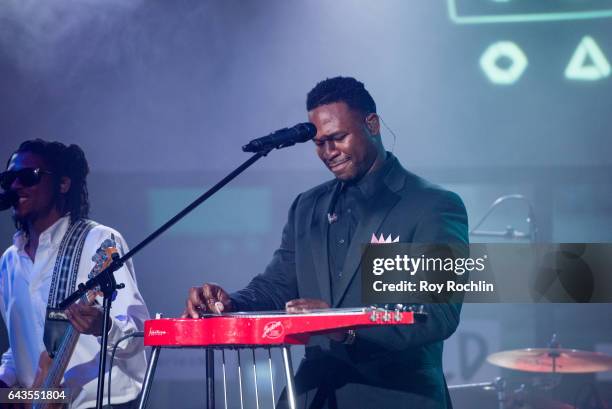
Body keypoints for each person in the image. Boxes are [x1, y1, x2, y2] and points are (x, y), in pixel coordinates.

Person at [184, 77, 468, 409]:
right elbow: (277, 285)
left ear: (371, 124)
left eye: (338, 138)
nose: (328, 152)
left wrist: (341, 324)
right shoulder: (308, 207)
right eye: (319, 143)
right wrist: (229, 302)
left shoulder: (432, 204)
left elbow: (437, 314)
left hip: (398, 394)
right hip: (314, 395)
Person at [0, 139, 149, 408]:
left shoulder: (99, 242)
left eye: (27, 176)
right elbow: (20, 349)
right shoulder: (10, 260)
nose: (15, 186)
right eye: (8, 179)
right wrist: (5, 385)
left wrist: (102, 326)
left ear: (63, 184)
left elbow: (136, 335)